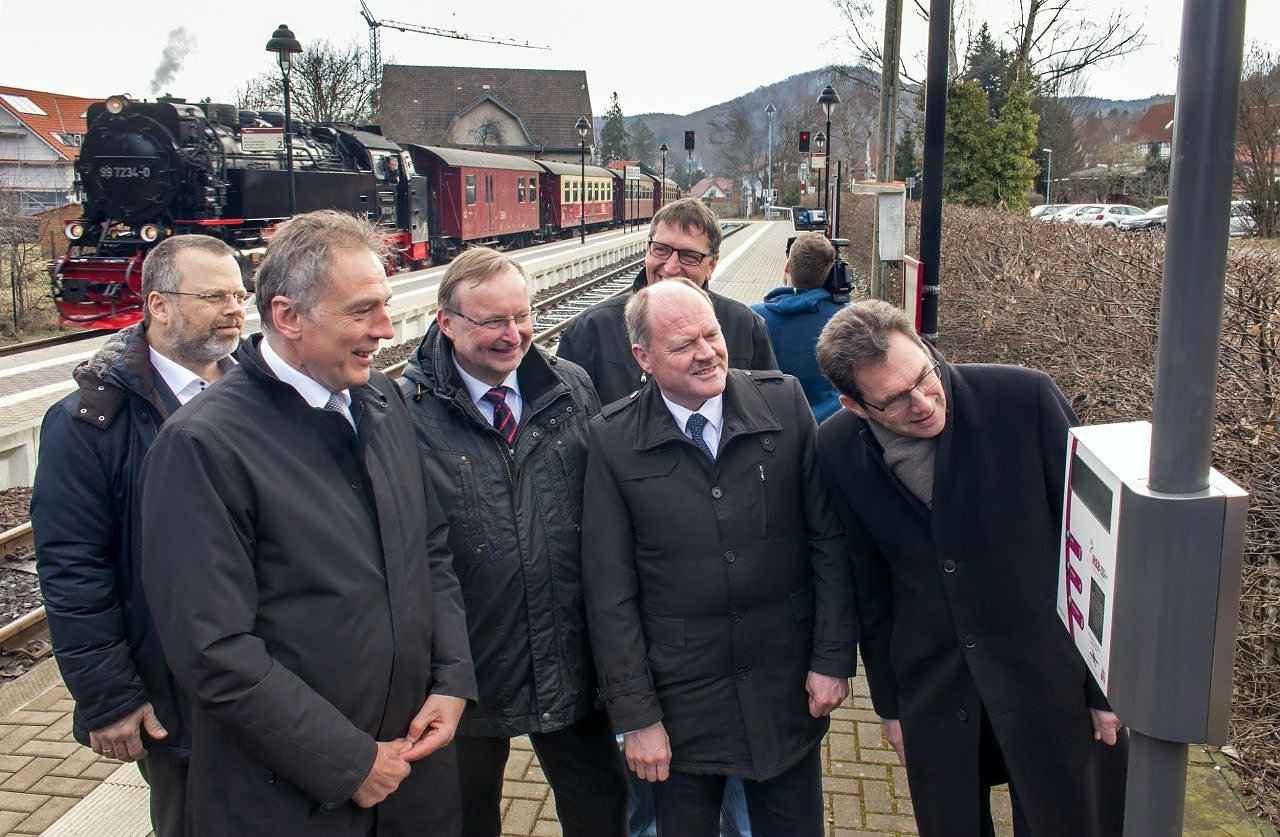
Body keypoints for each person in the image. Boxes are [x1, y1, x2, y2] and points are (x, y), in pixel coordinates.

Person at [139, 210, 476, 836]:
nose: (385, 328)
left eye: (385, 304)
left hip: (412, 773)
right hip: (288, 797)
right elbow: (212, 648)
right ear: (288, 315)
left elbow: (429, 550)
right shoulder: (201, 446)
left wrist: (452, 679)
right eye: (362, 310)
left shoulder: (381, 400)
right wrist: (348, 763)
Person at [814, 300, 1128, 836]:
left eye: (923, 376)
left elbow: (1093, 545)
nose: (922, 403)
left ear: (924, 348)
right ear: (856, 406)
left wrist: (1106, 689)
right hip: (936, 689)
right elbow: (868, 586)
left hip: (1050, 680)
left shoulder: (1024, 399)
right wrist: (891, 706)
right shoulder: (838, 447)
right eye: (894, 400)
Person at [581, 279, 857, 836]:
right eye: (684, 345)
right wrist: (637, 717)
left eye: (712, 335)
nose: (707, 353)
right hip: (681, 706)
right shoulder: (612, 441)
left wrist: (832, 659)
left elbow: (828, 541)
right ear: (643, 357)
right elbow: (609, 593)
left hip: (785, 690)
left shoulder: (784, 403)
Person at [398, 247, 627, 837]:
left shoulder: (570, 385)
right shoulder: (402, 413)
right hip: (468, 670)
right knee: (467, 819)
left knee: (601, 811)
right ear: (446, 323)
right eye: (493, 321)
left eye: (522, 315)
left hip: (570, 658)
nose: (514, 334)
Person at [31, 234, 247, 836]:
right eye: (214, 296)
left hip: (274, 675)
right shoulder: (89, 424)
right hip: (176, 691)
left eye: (239, 294)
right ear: (158, 305)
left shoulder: (264, 396)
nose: (235, 309)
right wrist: (108, 697)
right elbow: (74, 570)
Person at [557, 197, 777, 405]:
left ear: (712, 265)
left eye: (689, 256)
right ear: (647, 251)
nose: (671, 268)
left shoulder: (746, 327)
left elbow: (767, 409)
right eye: (661, 250)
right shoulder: (591, 329)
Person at [750, 232, 844, 422]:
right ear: (829, 274)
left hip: (772, 424)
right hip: (832, 424)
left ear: (787, 267)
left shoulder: (751, 317)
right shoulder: (848, 318)